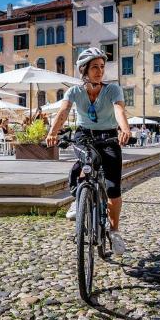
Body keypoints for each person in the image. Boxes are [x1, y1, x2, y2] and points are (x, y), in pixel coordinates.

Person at [46, 47, 132, 256]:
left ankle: (114, 231)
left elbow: (118, 109)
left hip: (109, 137)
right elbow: (64, 111)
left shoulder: (113, 90)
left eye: (102, 67)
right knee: (84, 163)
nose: (100, 71)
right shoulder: (74, 92)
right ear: (84, 70)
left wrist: (125, 128)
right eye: (95, 67)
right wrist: (52, 133)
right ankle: (79, 200)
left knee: (113, 187)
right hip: (85, 135)